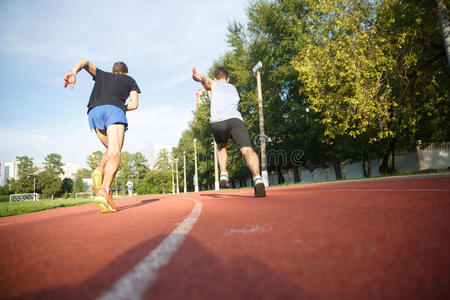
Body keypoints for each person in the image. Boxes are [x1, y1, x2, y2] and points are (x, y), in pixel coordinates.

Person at [63, 58, 141, 212]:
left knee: (109, 149)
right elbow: (134, 104)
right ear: (126, 72)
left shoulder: (102, 75)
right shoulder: (130, 80)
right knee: (115, 152)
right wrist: (122, 107)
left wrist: (73, 72)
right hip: (114, 111)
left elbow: (84, 62)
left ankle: (99, 169)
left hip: (94, 112)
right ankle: (104, 191)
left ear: (114, 71)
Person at [192, 67, 266, 197]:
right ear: (228, 78)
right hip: (235, 120)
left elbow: (206, 81)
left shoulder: (214, 84)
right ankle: (258, 177)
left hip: (218, 122)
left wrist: (200, 78)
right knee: (247, 150)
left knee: (221, 147)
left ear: (216, 78)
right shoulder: (233, 88)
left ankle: (224, 173)